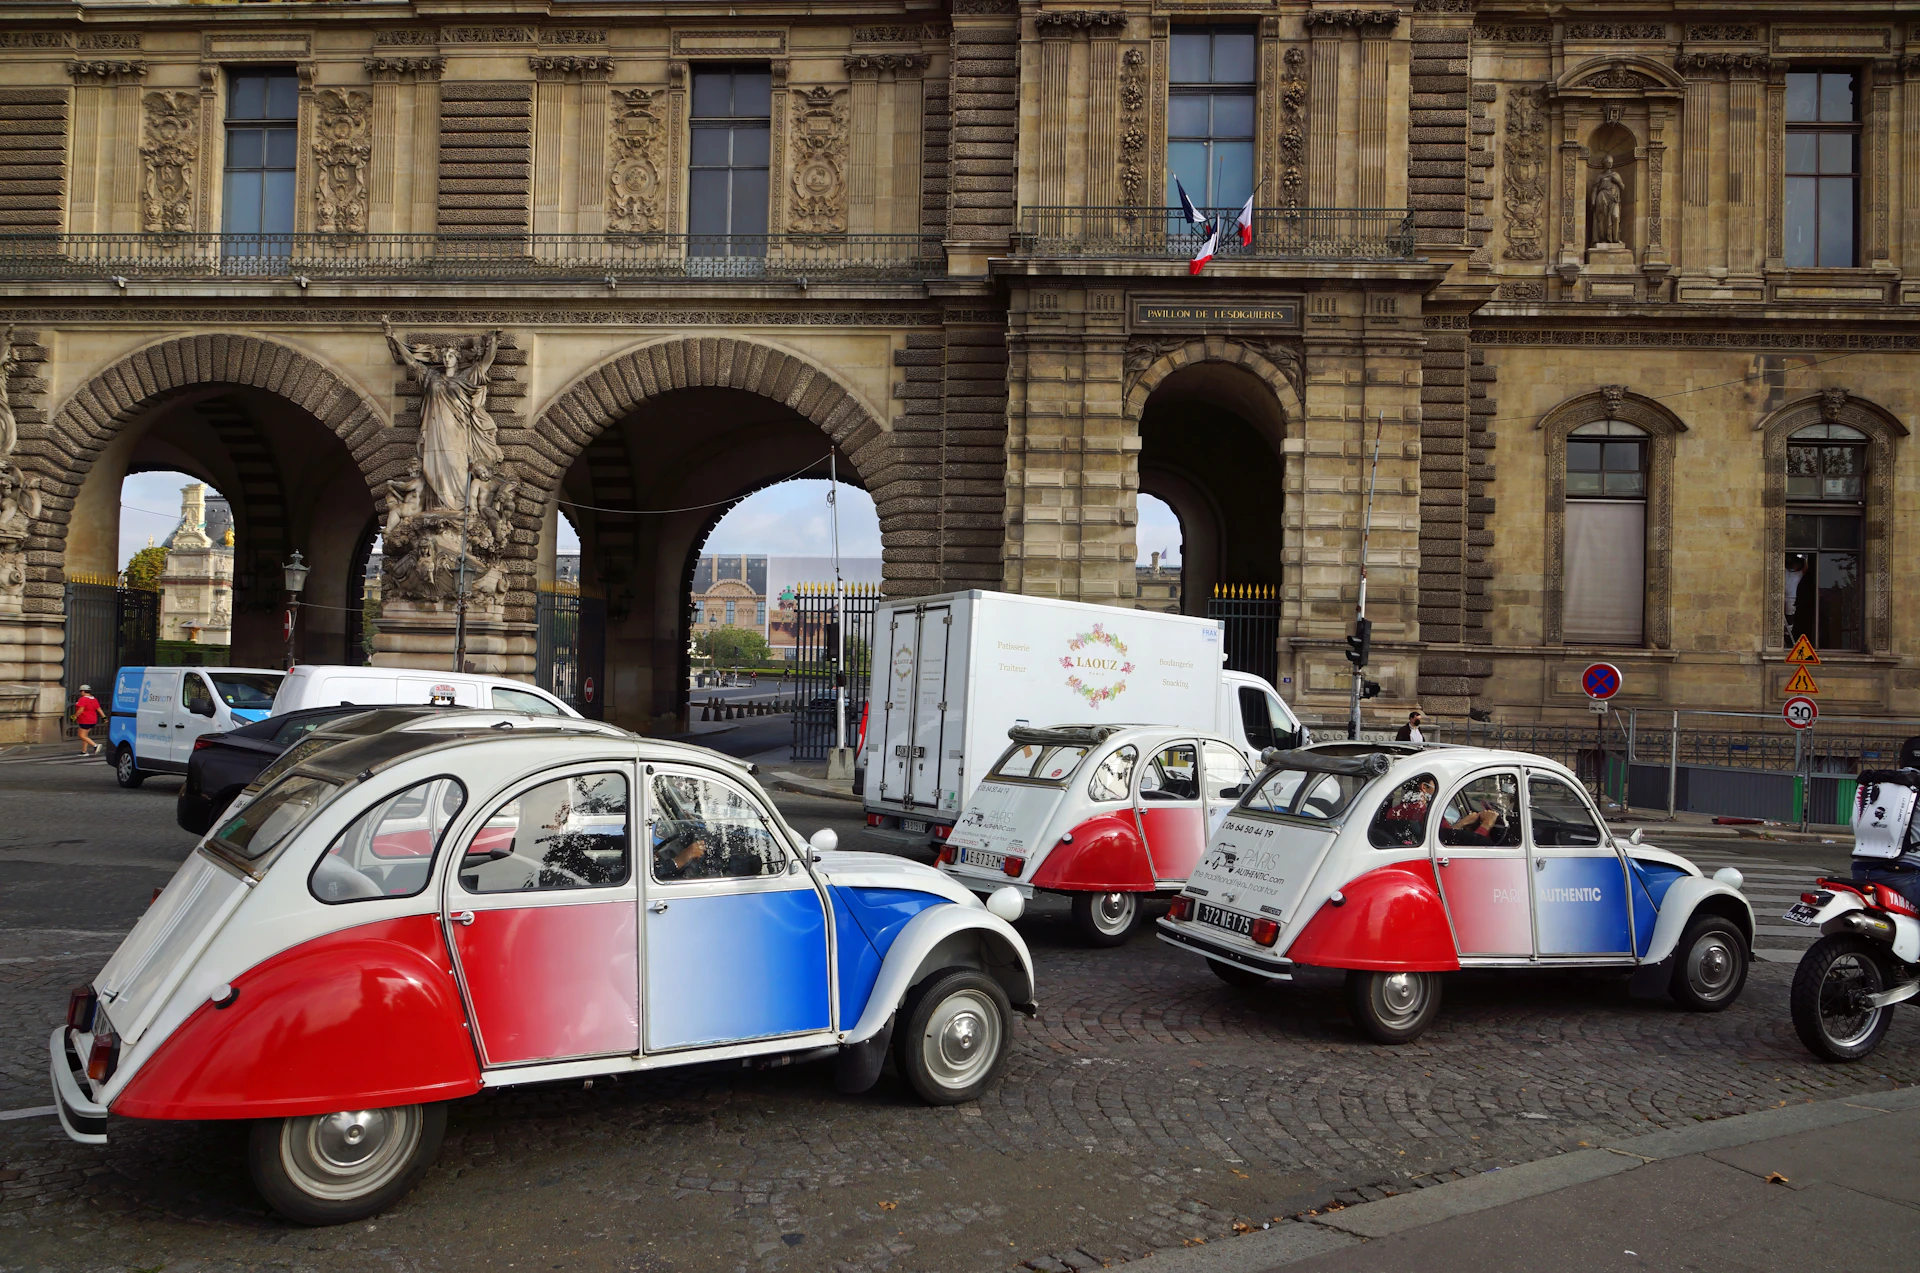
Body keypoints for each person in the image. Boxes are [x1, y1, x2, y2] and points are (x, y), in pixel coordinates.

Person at [72, 683, 101, 756]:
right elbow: (99, 709)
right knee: (85, 735)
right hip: (93, 719)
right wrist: (104, 717)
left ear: (82, 691)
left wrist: (74, 716)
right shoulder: (94, 699)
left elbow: (81, 709)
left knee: (81, 735)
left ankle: (95, 745)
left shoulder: (83, 699)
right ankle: (84, 751)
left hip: (85, 719)